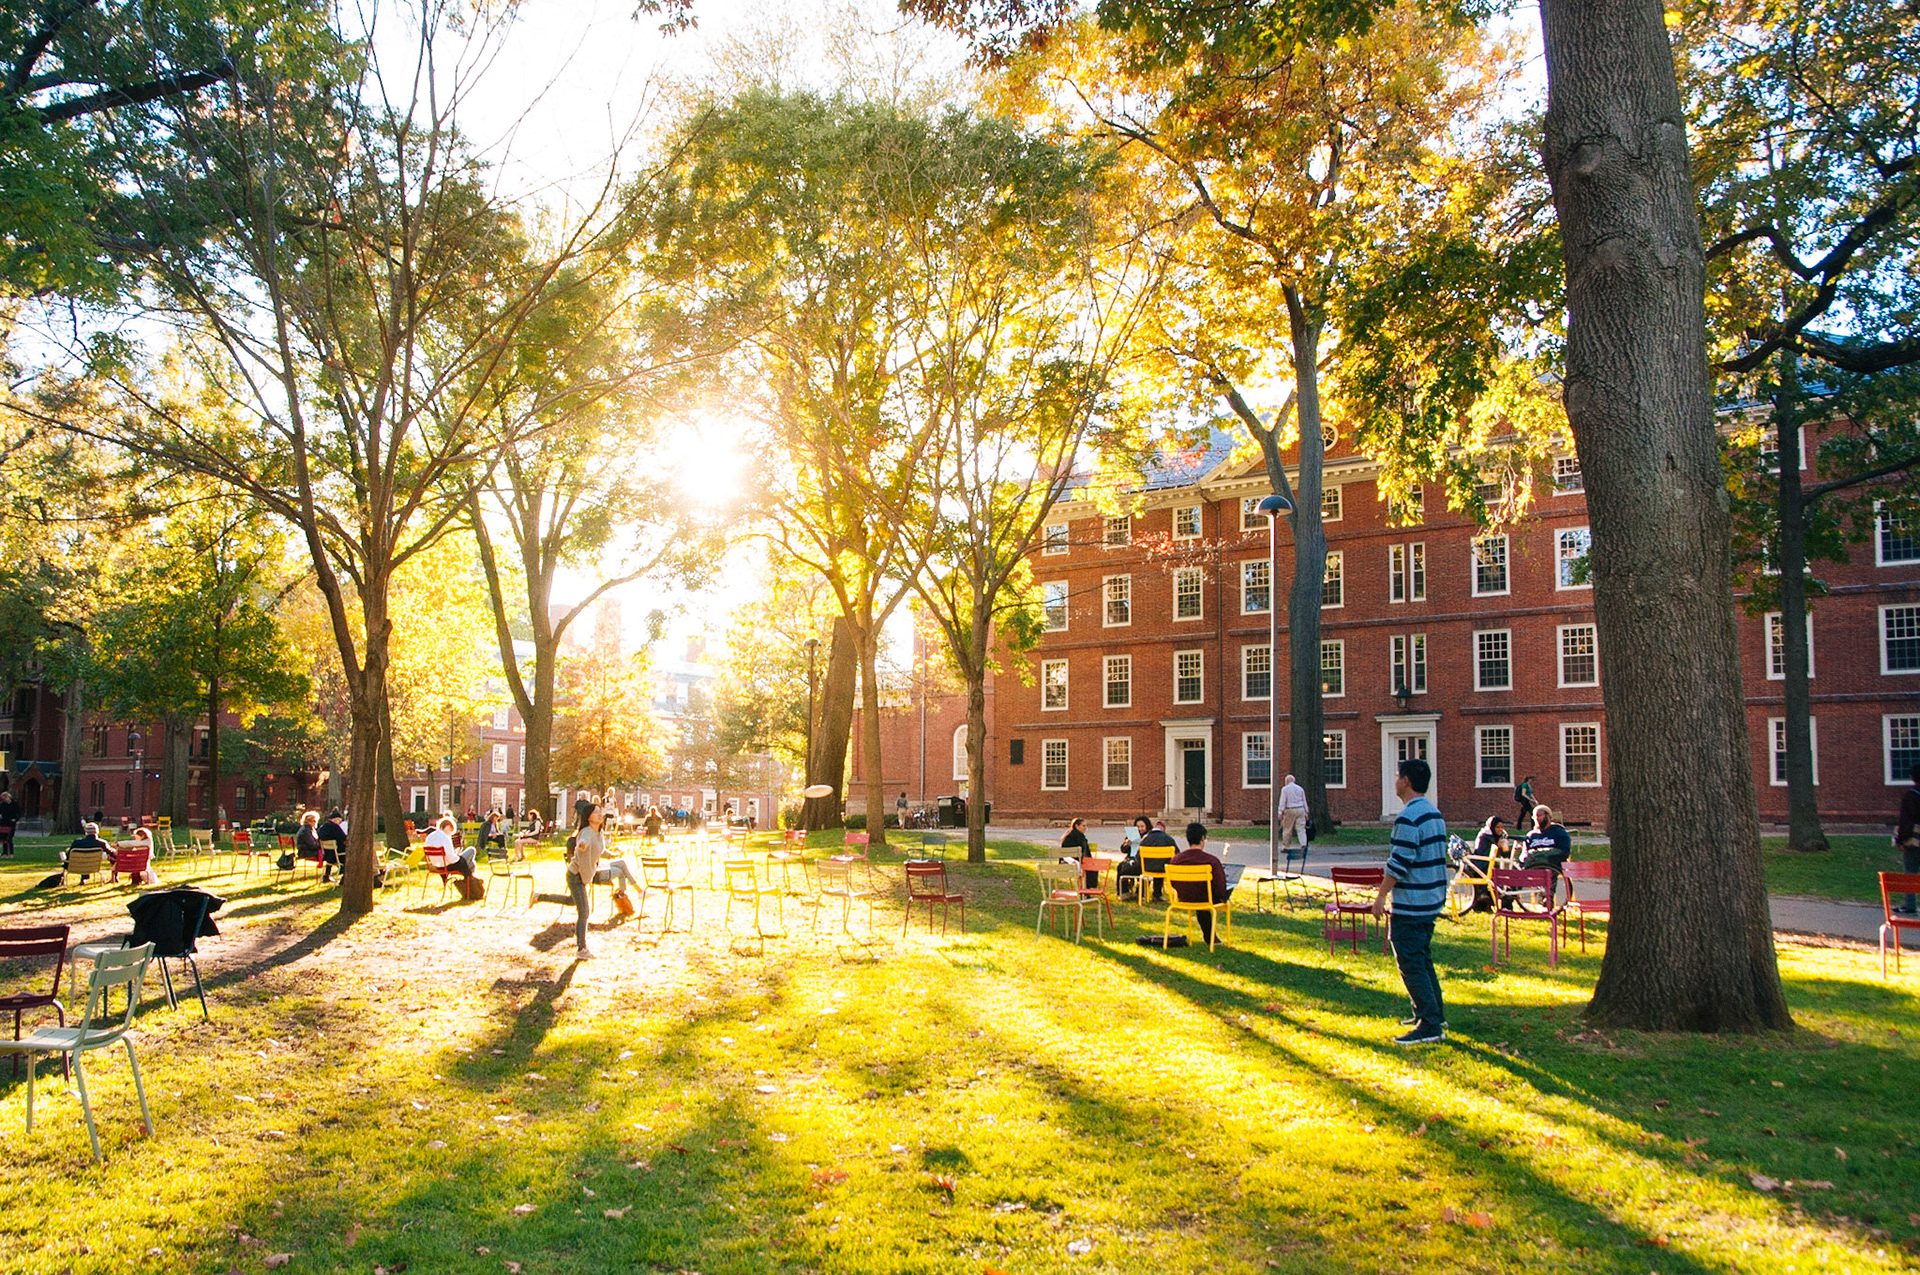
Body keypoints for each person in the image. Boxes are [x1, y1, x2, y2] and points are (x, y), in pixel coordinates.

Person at [1373, 758, 1449, 1045]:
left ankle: (1429, 1025)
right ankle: (1432, 1014)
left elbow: (1399, 863)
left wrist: (1381, 896)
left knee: (1410, 960)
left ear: (1405, 781)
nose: (1394, 781)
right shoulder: (1433, 813)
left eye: (1396, 776)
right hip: (1431, 899)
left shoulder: (1408, 818)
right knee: (1422, 958)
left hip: (1413, 901)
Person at [1169, 821, 1232, 944]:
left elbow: (1173, 883)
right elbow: (1219, 887)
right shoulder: (1211, 861)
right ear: (1203, 838)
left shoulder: (1176, 860)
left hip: (1184, 897)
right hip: (1206, 898)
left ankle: (1210, 937)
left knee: (1199, 894)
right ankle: (1211, 938)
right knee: (1212, 895)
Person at [1518, 803, 1572, 907]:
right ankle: (1510, 893)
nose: (1537, 818)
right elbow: (1524, 855)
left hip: (1552, 864)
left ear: (1548, 816)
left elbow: (1564, 850)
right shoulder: (1531, 835)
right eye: (1535, 816)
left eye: (1540, 815)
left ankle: (1548, 898)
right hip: (1532, 866)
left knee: (1548, 868)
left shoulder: (1558, 831)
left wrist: (1542, 854)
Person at [1465, 815, 1509, 912]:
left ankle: (1497, 900)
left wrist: (1505, 848)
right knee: (1494, 875)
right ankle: (1484, 899)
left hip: (1490, 864)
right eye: (1498, 827)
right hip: (1480, 865)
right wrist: (1498, 846)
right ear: (1492, 827)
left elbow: (1505, 856)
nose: (1500, 829)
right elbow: (1484, 854)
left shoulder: (1500, 836)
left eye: (1502, 827)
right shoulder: (1484, 837)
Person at [424, 814, 477, 888]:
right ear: (447, 827)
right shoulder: (445, 838)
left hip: (436, 865)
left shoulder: (430, 836)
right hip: (448, 866)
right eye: (450, 830)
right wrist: (457, 856)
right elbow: (451, 858)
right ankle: (472, 883)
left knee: (471, 862)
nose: (450, 833)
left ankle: (471, 881)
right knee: (472, 851)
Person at [1894, 762, 1920, 915]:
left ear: (1912, 777)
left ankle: (1910, 905)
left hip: (1915, 839)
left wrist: (1901, 839)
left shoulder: (1911, 795)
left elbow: (1906, 820)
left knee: (1910, 871)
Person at [1059, 816, 1096, 889]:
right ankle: (1086, 890)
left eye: (1086, 826)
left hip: (1071, 860)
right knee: (1089, 867)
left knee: (1091, 866)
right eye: (1083, 826)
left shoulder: (1073, 834)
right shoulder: (1074, 837)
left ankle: (1086, 889)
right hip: (1070, 861)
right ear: (1077, 826)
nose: (1085, 828)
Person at [1277, 773, 1310, 852]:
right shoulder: (1300, 788)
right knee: (1301, 828)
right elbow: (1304, 800)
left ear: (1286, 781)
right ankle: (1303, 844)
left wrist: (1280, 812)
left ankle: (1286, 846)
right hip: (1301, 809)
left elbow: (1283, 801)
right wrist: (1306, 811)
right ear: (1294, 780)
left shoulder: (1285, 789)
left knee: (1287, 829)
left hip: (1290, 809)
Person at [318, 809, 350, 884]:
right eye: (339, 820)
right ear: (336, 819)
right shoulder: (335, 827)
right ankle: (344, 878)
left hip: (327, 855)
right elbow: (344, 839)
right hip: (337, 856)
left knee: (332, 853)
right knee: (349, 857)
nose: (339, 822)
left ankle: (326, 875)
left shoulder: (322, 828)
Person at [0, 786, 20, 858]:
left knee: (9, 838)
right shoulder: (2, 804)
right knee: (4, 838)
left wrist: (16, 819)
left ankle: (11, 853)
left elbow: (18, 813)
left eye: (4, 798)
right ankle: (4, 853)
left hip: (11, 823)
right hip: (4, 823)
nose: (3, 800)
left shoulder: (14, 804)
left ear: (7, 797)